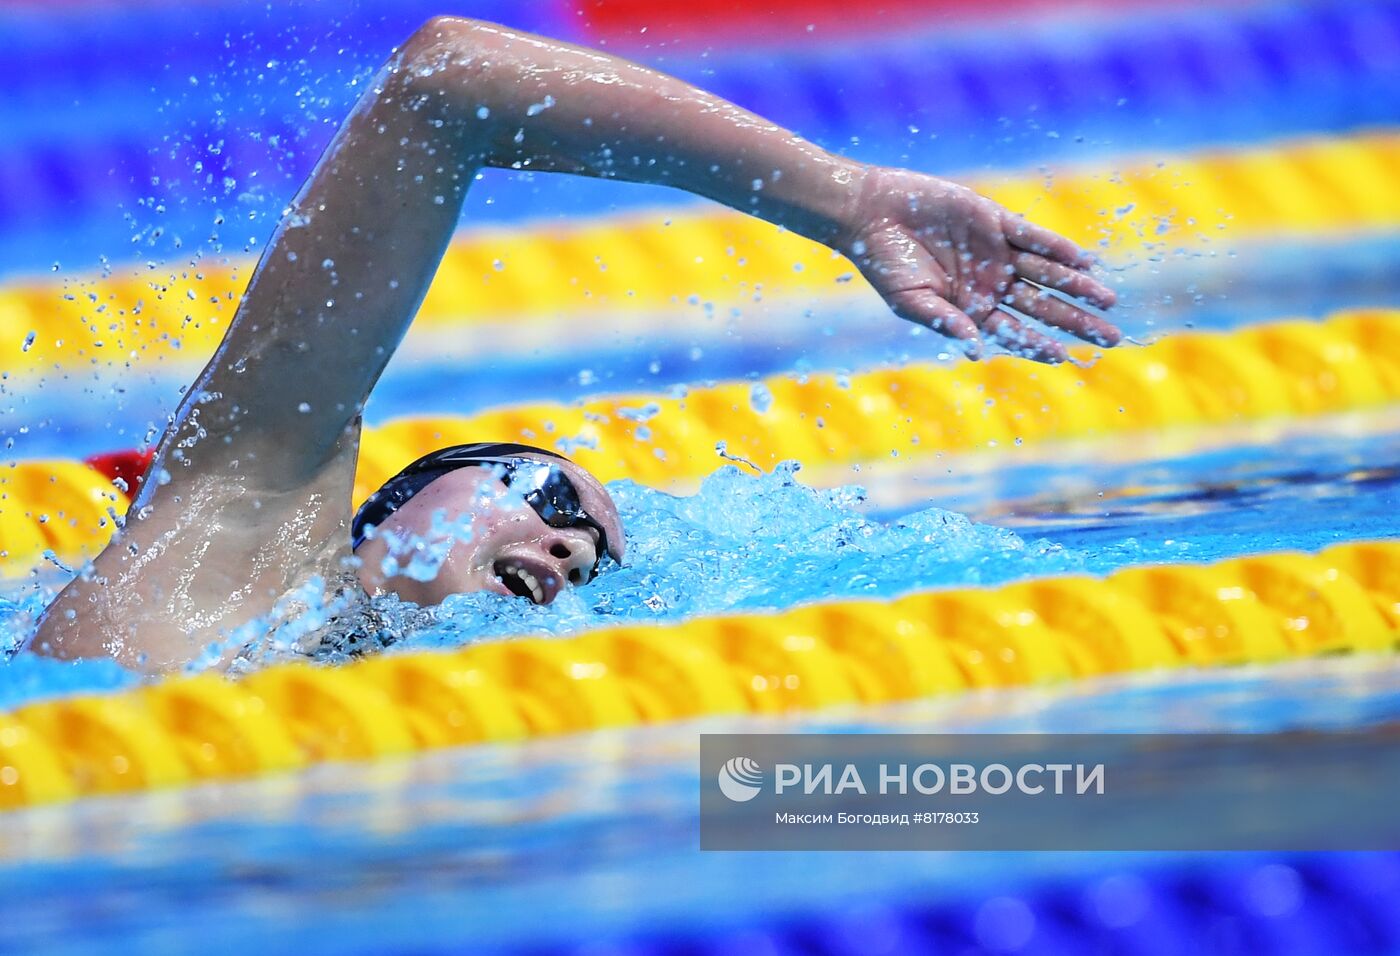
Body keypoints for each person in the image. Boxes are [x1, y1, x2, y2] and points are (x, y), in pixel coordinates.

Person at [24, 16, 1119, 674]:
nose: (566, 555)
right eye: (549, 503)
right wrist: (844, 197)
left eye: (588, 563)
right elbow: (443, 82)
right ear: (387, 502)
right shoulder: (222, 546)